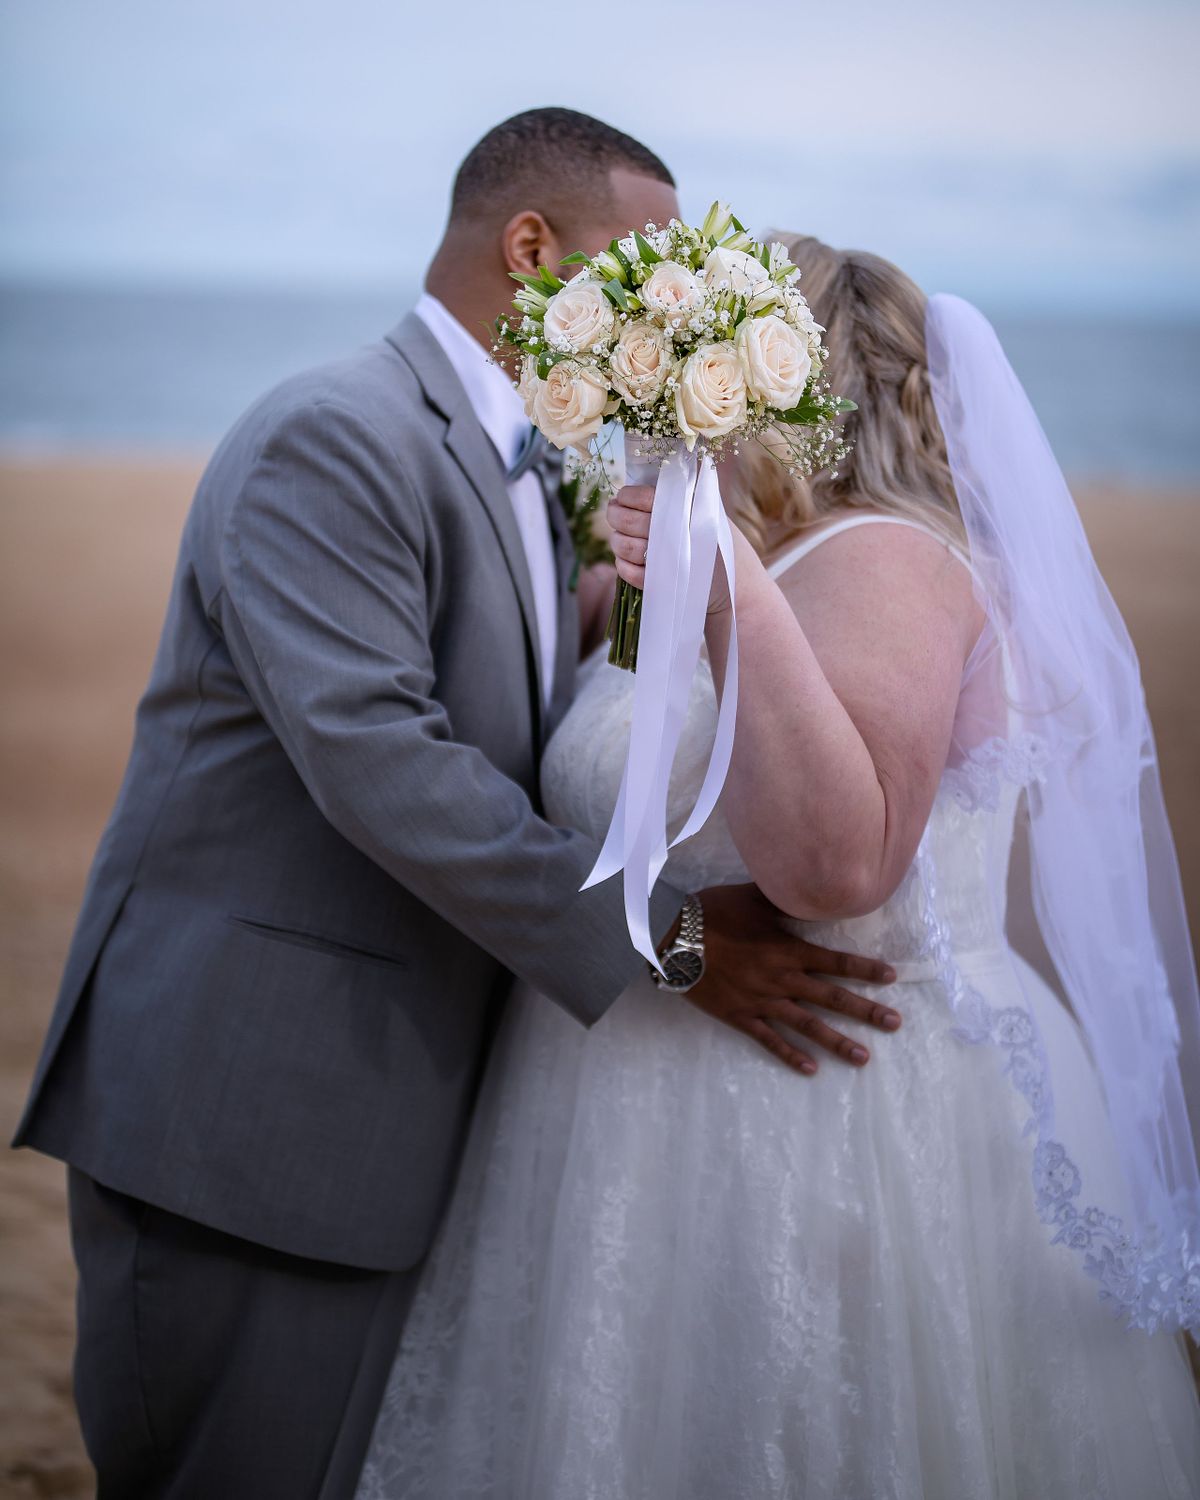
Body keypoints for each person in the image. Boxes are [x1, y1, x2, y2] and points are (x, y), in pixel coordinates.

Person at [10, 121, 899, 1499]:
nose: (669, 307)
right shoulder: (336, 435)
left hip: (384, 1124)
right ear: (533, 250)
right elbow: (386, 763)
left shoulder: (526, 468)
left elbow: (532, 708)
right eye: (647, 265)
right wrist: (674, 941)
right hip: (247, 1118)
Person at [357, 238, 1200, 1498]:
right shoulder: (754, 557)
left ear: (783, 381)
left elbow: (837, 865)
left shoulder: (886, 562)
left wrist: (726, 583)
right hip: (634, 1109)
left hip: (809, 1124)